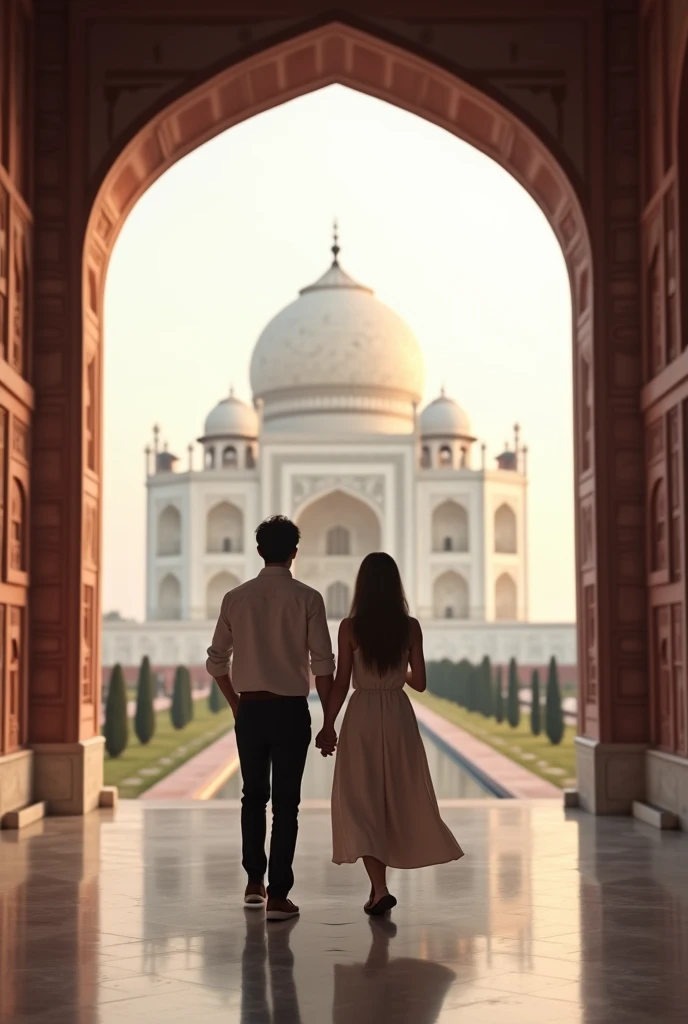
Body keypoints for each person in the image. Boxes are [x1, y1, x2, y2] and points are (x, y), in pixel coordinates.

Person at [316, 552, 463, 915]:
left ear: (362, 587)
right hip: (397, 714)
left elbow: (341, 681)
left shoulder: (350, 627)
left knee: (361, 800)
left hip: (362, 713)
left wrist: (328, 725)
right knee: (397, 794)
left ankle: (379, 888)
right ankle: (380, 888)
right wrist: (398, 674)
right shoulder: (410, 627)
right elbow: (422, 683)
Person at [207, 515, 335, 921]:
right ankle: (279, 895)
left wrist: (235, 702)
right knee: (286, 805)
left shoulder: (236, 598)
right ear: (294, 553)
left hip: (252, 709)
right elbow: (324, 665)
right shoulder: (309, 598)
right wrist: (329, 721)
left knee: (252, 797)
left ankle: (253, 883)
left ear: (259, 550)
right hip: (291, 711)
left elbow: (215, 662)